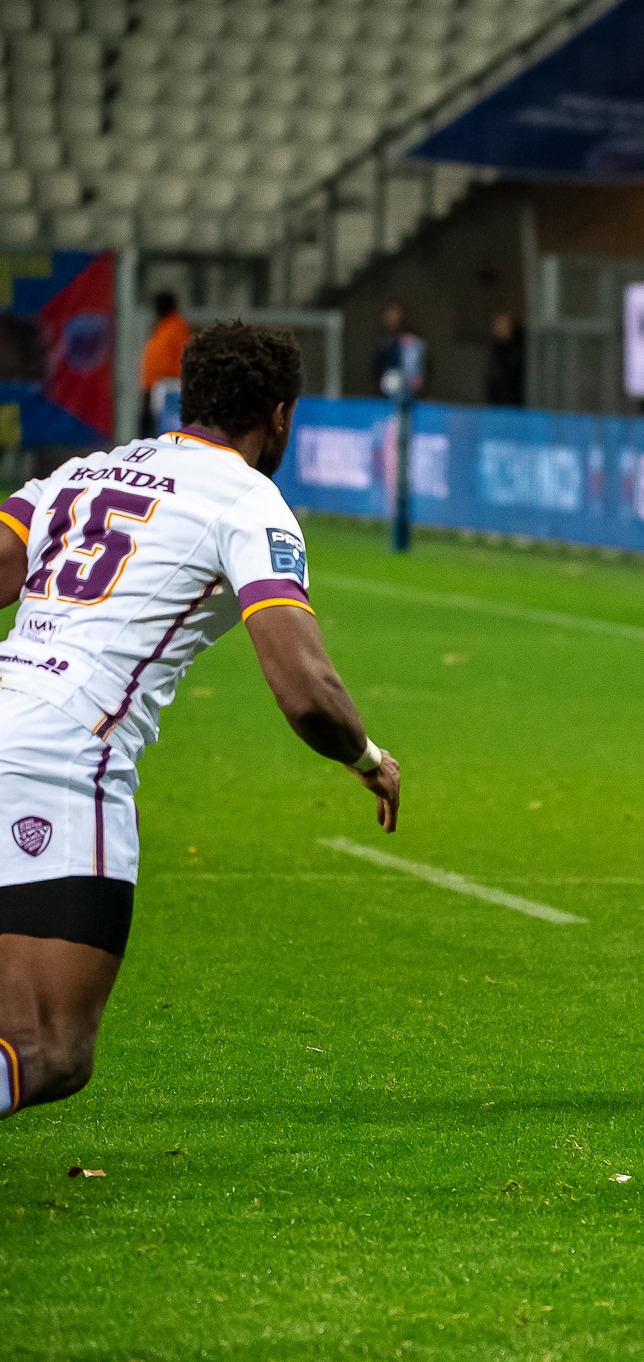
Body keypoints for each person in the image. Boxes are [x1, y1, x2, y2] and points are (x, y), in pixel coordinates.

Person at [0, 322, 401, 1119]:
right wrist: (367, 757)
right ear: (280, 416)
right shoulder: (248, 501)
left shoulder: (80, 473)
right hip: (62, 759)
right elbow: (304, 689)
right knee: (52, 1048)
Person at [137, 291, 188, 439]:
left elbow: (181, 355)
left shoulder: (176, 326)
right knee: (148, 424)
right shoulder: (162, 325)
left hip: (168, 385)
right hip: (152, 383)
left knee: (160, 425)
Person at [484, 311, 524, 408]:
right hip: (495, 405)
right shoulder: (496, 351)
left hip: (515, 406)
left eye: (503, 325)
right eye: (497, 325)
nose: (498, 328)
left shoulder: (519, 352)